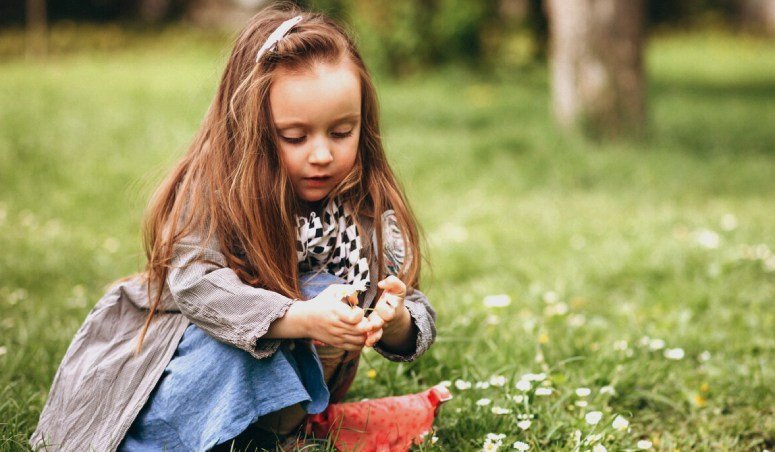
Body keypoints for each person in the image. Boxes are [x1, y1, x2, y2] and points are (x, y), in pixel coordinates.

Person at [29, 5, 436, 451]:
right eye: (295, 137)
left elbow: (412, 306)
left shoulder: (360, 200)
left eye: (341, 132)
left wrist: (394, 320)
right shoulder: (219, 187)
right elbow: (197, 287)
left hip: (287, 367)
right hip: (185, 347)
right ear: (251, 127)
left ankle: (272, 429)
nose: (322, 155)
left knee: (329, 284)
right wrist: (299, 317)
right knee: (230, 351)